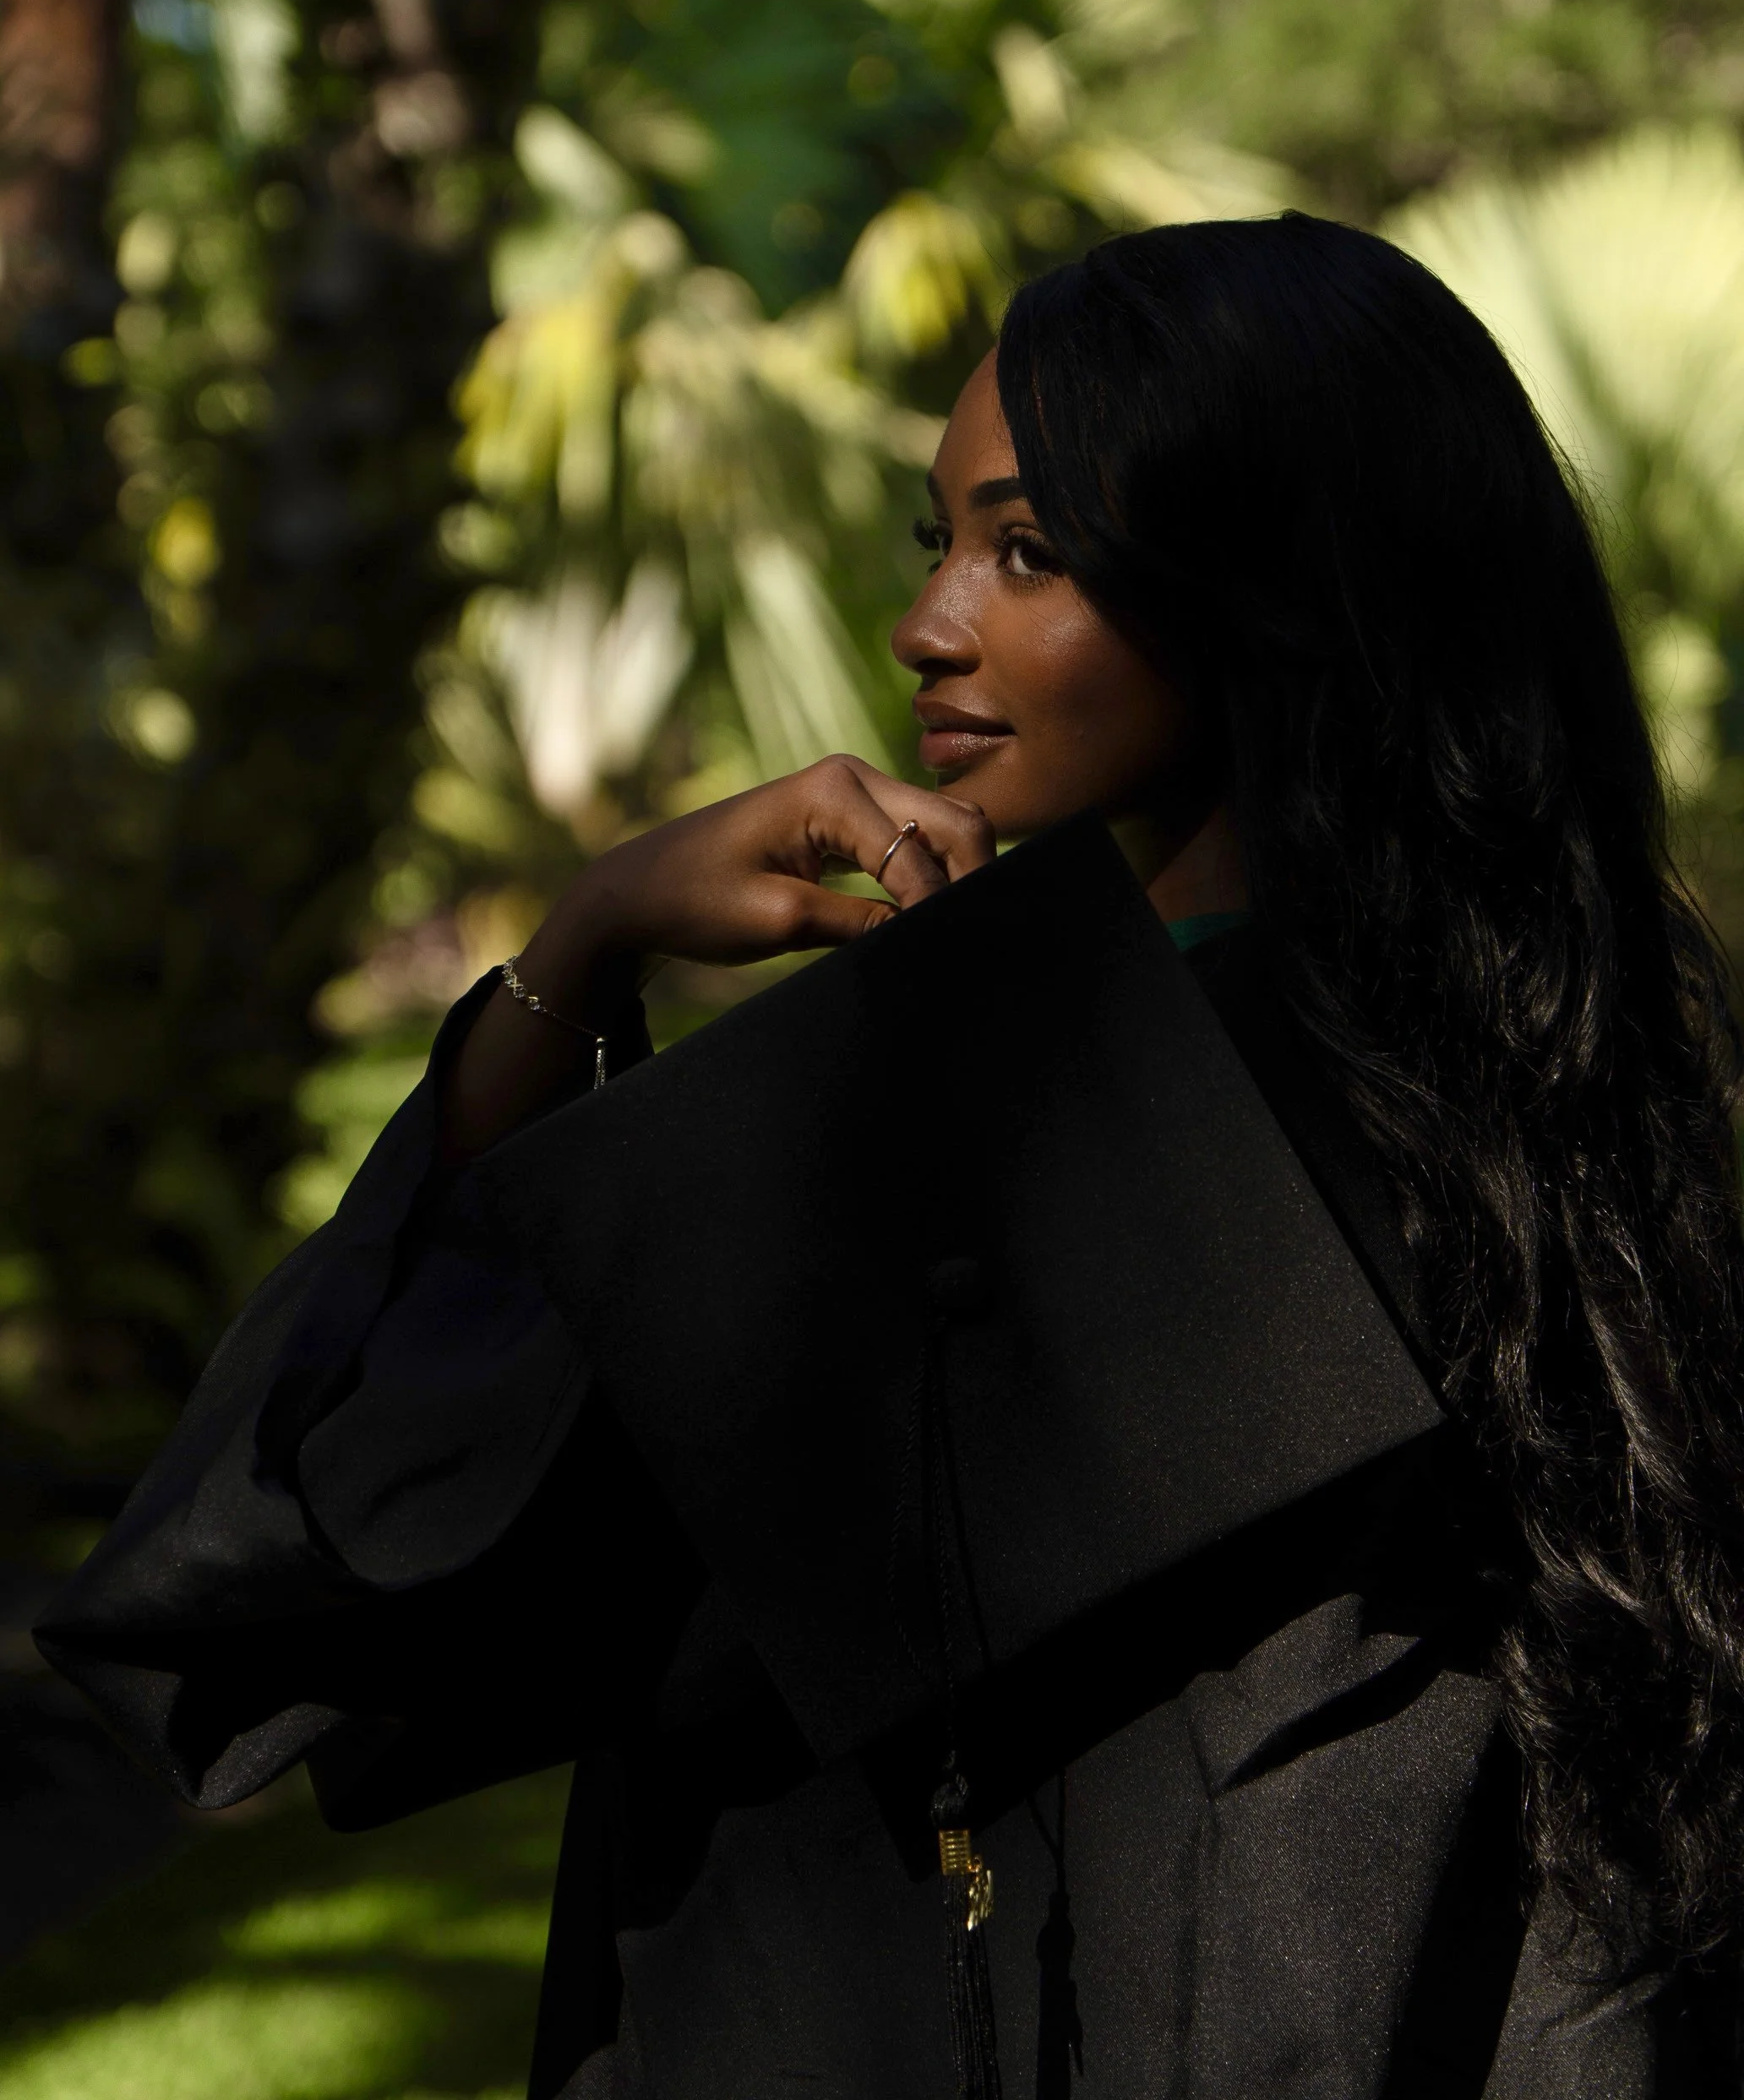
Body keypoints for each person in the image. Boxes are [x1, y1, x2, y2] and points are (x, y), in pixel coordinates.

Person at [36, 214, 1744, 2097]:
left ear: (1274, 577)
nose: (930, 624)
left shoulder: (966, 1130)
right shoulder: (1585, 1115)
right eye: (938, 544)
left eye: (1033, 551)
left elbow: (313, 1568)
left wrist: (583, 944)